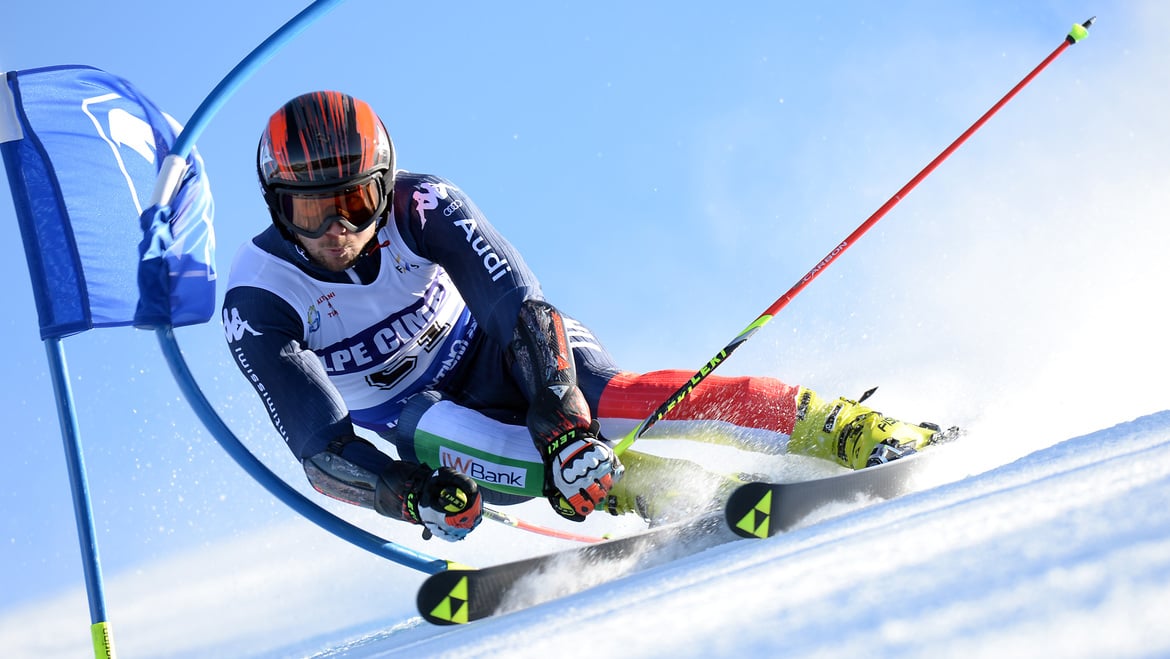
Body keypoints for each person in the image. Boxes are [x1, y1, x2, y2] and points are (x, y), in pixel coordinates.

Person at [222, 91, 956, 543]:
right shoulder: (259, 298)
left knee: (622, 402)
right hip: (420, 414)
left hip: (507, 351)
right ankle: (658, 491)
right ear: (273, 203)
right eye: (309, 211)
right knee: (455, 436)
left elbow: (518, 307)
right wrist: (407, 495)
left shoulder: (423, 205)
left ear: (381, 185)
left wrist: (563, 413)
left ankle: (844, 428)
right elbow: (320, 446)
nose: (334, 232)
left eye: (352, 204)